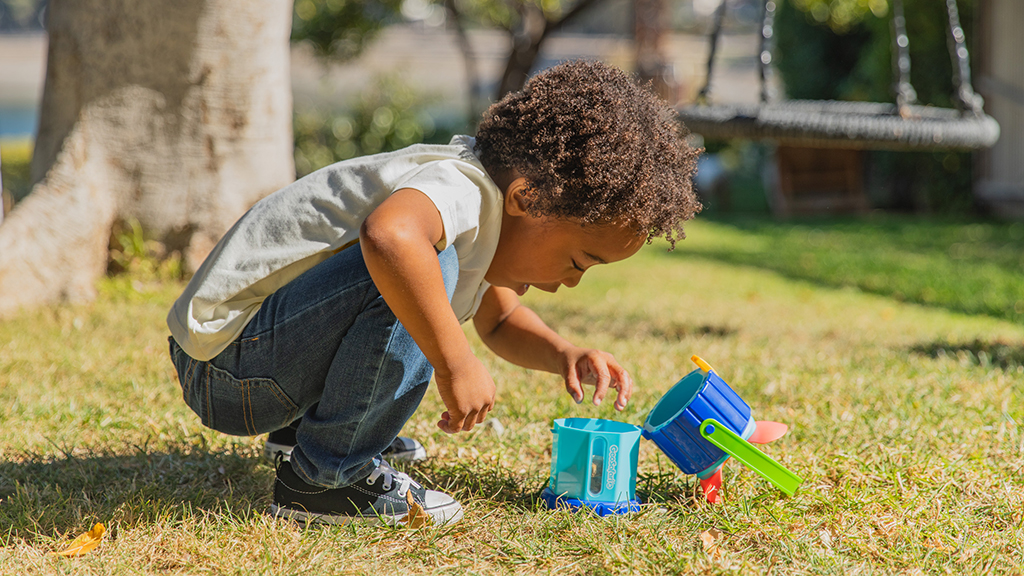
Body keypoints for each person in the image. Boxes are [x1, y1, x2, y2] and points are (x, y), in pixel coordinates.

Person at [166, 59, 701, 527]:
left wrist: (564, 352)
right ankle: (327, 476)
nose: (574, 280)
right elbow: (390, 238)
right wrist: (455, 362)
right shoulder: (459, 188)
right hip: (229, 368)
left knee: (427, 271)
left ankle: (317, 433)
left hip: (255, 365)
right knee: (420, 264)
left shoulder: (483, 224)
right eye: (580, 260)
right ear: (526, 199)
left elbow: (499, 321)